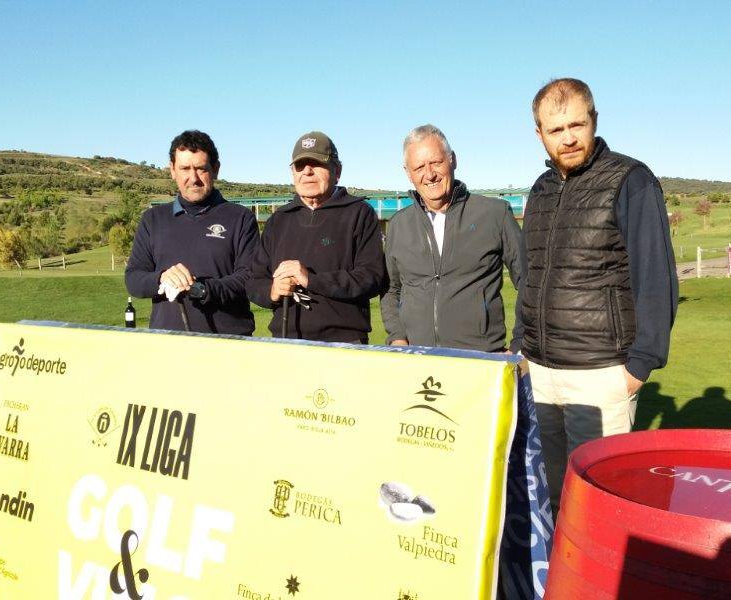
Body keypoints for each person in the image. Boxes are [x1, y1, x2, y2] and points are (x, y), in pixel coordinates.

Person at [512, 78, 678, 514]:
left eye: (576, 125)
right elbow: (530, 277)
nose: (567, 138)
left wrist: (639, 365)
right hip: (541, 373)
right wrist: (520, 346)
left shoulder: (631, 180)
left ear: (594, 121)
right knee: (550, 497)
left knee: (601, 501)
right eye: (555, 129)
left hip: (602, 372)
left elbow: (655, 276)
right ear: (540, 134)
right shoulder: (541, 190)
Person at [380, 124, 521, 352]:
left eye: (436, 162)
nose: (429, 174)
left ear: (452, 159)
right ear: (408, 173)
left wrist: (521, 343)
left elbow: (529, 281)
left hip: (480, 359)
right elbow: (390, 289)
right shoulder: (399, 224)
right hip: (417, 359)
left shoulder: (495, 214)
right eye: (419, 167)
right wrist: (397, 336)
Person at [246, 131, 385, 343]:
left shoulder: (359, 213)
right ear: (293, 173)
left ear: (337, 170)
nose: (307, 171)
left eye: (316, 163)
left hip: (344, 344)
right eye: (300, 166)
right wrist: (272, 291)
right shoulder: (278, 220)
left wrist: (311, 280)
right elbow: (254, 281)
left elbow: (372, 277)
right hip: (285, 343)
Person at [125, 130, 259, 334]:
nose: (193, 178)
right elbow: (133, 279)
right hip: (167, 344)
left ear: (215, 169)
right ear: (172, 170)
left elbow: (249, 277)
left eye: (201, 169)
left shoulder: (240, 218)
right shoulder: (153, 219)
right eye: (185, 168)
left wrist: (203, 289)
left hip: (229, 343)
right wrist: (161, 278)